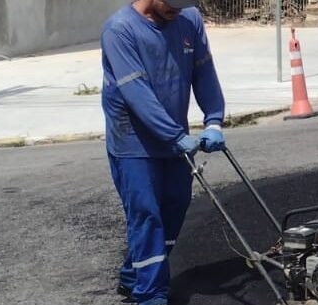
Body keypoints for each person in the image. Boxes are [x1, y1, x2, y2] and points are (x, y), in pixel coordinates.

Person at [100, 1, 226, 304]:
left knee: (176, 205)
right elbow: (137, 94)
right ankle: (150, 294)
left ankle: (134, 273)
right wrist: (174, 135)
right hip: (133, 143)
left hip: (174, 138)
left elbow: (203, 69)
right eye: (171, 3)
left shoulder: (188, 18)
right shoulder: (120, 30)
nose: (176, 10)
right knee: (147, 216)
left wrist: (214, 120)